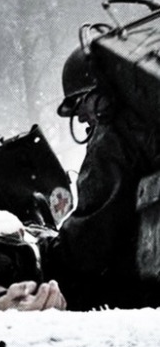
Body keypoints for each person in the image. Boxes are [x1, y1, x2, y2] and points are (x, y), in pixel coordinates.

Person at [42, 47, 160, 310]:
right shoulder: (148, 123)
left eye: (80, 103)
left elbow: (88, 244)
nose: (80, 116)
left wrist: (43, 249)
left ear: (100, 95)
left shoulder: (112, 134)